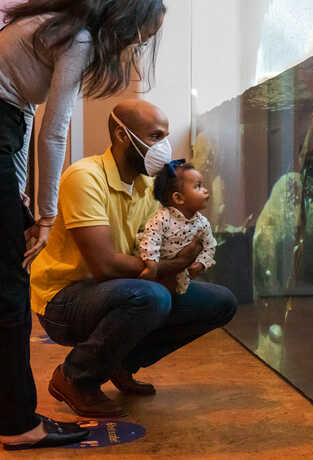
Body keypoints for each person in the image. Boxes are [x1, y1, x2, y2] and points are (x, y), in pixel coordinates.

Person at [0, 0, 166, 449]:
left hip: (7, 129)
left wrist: (21, 194)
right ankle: (18, 424)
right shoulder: (79, 38)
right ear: (125, 19)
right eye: (139, 35)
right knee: (8, 290)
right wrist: (46, 214)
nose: (136, 44)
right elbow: (54, 130)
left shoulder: (53, 26)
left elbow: (24, 112)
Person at [30, 99, 238, 419]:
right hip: (63, 299)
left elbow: (153, 250)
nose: (165, 147)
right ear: (122, 134)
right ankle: (75, 377)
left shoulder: (149, 186)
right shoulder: (84, 177)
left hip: (121, 289)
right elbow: (105, 266)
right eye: (156, 137)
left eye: (166, 136)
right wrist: (172, 265)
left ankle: (120, 363)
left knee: (220, 301)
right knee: (151, 296)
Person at [138, 159, 217, 294]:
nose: (205, 190)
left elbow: (210, 245)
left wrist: (202, 263)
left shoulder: (202, 223)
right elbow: (150, 238)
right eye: (198, 186)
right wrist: (151, 265)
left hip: (178, 276)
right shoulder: (162, 218)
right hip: (153, 269)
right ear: (179, 198)